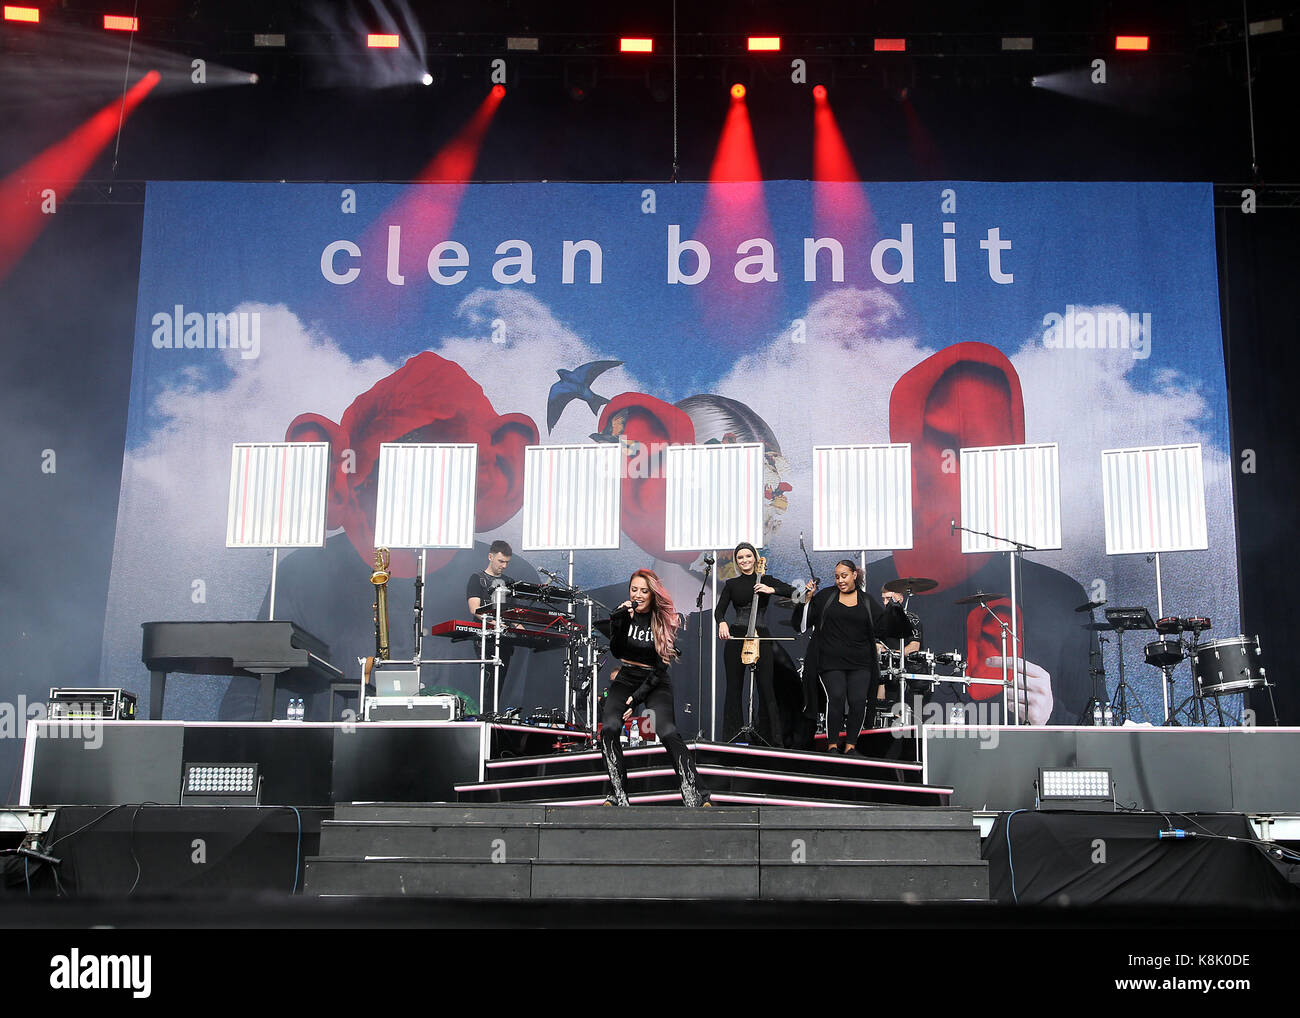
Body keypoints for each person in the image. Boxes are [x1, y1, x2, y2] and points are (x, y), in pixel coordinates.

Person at [599, 570, 708, 807]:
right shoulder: (625, 615)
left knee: (667, 731)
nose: (638, 595)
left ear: (652, 594)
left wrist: (636, 699)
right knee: (609, 728)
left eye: (643, 591)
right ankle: (617, 795)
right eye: (634, 589)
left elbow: (660, 669)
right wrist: (619, 621)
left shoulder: (663, 620)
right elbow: (617, 652)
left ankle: (696, 796)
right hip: (627, 674)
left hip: (654, 679)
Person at [799, 560, 912, 754]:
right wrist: (807, 600)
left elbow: (884, 626)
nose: (840, 580)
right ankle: (833, 745)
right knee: (836, 697)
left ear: (854, 575)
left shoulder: (867, 601)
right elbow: (804, 625)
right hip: (830, 660)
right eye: (836, 577)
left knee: (858, 701)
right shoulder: (826, 596)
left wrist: (895, 608)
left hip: (861, 662)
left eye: (844, 576)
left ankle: (851, 746)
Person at [715, 542, 814, 744]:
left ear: (755, 558)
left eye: (748, 556)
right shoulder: (732, 584)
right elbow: (719, 611)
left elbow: (795, 594)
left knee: (766, 687)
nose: (744, 561)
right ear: (736, 561)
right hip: (737, 635)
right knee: (734, 688)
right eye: (740, 557)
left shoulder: (765, 579)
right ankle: (731, 738)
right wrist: (722, 622)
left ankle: (770, 739)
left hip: (761, 634)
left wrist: (772, 589)